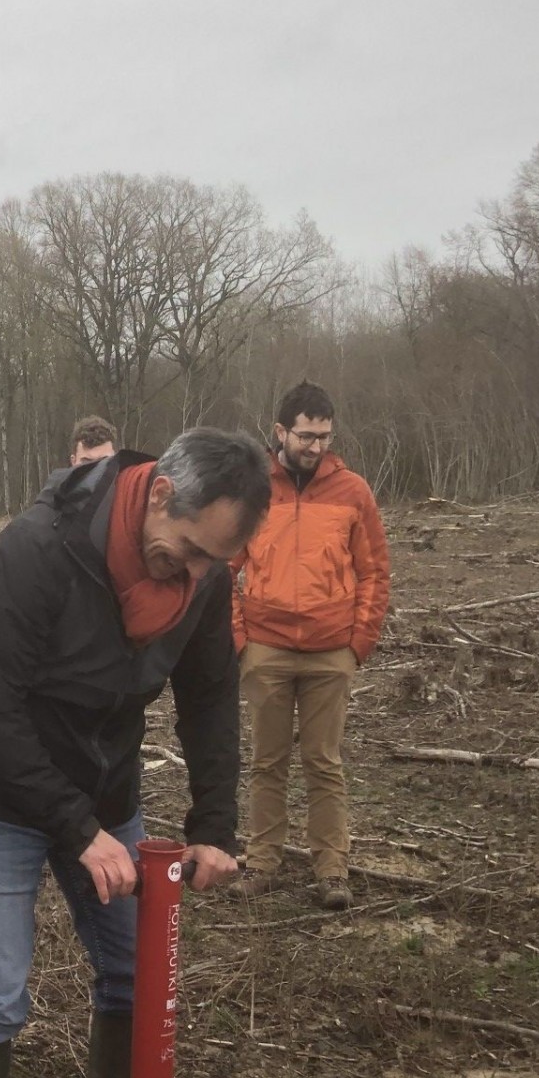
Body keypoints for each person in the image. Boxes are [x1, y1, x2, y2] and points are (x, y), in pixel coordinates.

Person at [0, 428, 271, 1078]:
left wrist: (215, 824)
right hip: (4, 797)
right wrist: (76, 833)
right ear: (158, 494)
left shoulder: (200, 579)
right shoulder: (40, 549)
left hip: (106, 793)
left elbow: (207, 699)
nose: (194, 576)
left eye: (213, 565)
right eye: (190, 552)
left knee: (130, 973)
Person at [231, 381, 390, 911]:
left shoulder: (353, 493)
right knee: (267, 761)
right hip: (266, 649)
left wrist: (357, 643)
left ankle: (332, 871)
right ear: (280, 432)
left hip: (330, 653)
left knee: (324, 763)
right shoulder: (253, 490)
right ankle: (262, 865)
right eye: (305, 435)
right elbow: (219, 568)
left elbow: (373, 573)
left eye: (323, 436)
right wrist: (240, 638)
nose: (315, 445)